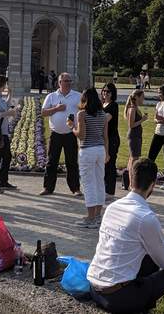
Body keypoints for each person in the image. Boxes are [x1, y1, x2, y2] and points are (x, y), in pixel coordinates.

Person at [87, 158, 164, 314]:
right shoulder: (145, 217)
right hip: (118, 298)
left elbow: (134, 244)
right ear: (153, 185)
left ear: (130, 180)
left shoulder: (112, 208)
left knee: (150, 258)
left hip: (95, 289)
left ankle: (142, 305)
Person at [70, 88, 110, 228]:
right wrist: (107, 152)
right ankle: (98, 215)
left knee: (88, 184)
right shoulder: (103, 114)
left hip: (87, 150)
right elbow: (105, 137)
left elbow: (81, 135)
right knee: (99, 182)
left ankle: (91, 218)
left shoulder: (82, 114)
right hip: (100, 149)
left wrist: (72, 127)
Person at [39, 72, 82, 196]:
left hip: (71, 133)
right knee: (51, 162)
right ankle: (48, 187)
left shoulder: (77, 96)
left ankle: (75, 188)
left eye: (70, 81)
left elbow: (84, 111)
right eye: (66, 81)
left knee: (72, 162)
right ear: (59, 82)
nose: (68, 83)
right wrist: (56, 109)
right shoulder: (52, 96)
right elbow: (43, 113)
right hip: (56, 134)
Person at [0, 75, 18, 192]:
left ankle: (3, 181)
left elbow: (5, 106)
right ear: (3, 85)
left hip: (3, 131)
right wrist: (8, 113)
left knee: (6, 156)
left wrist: (10, 95)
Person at [124, 89, 148, 189]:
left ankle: (130, 182)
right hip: (134, 136)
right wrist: (142, 120)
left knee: (132, 158)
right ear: (137, 97)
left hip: (137, 136)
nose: (143, 99)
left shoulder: (136, 107)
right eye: (142, 97)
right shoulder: (132, 108)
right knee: (134, 159)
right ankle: (131, 183)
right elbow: (131, 125)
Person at [101, 83, 120, 197]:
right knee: (103, 165)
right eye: (104, 91)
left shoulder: (113, 105)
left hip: (111, 139)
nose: (105, 93)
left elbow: (106, 119)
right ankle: (104, 189)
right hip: (102, 138)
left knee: (110, 164)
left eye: (108, 92)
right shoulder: (102, 104)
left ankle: (110, 191)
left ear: (112, 93)